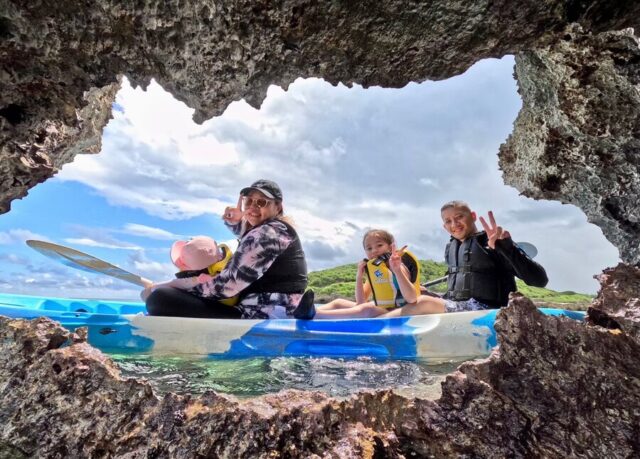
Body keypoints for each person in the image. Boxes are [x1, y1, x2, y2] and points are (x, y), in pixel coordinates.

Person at [145, 179, 310, 319]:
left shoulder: (268, 233)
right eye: (249, 201)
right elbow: (249, 237)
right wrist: (236, 221)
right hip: (278, 305)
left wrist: (180, 286)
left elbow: (227, 287)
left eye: (261, 202)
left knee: (160, 299)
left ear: (278, 207)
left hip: (262, 312)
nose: (253, 207)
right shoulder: (273, 229)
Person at [380, 200, 548, 317]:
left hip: (488, 311)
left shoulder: (491, 242)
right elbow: (458, 293)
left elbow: (539, 280)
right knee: (420, 297)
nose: (454, 224)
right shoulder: (451, 248)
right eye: (448, 221)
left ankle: (378, 328)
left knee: (423, 303)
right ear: (444, 226)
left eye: (459, 217)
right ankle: (371, 319)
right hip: (462, 308)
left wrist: (506, 248)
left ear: (473, 216)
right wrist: (434, 294)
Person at [292, 229, 422, 319]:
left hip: (399, 311)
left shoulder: (398, 265)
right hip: (384, 308)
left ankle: (315, 315)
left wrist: (397, 269)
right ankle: (299, 313)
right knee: (338, 302)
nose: (374, 251)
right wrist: (359, 276)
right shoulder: (376, 270)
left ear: (390, 247)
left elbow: (411, 298)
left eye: (379, 245)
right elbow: (360, 302)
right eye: (369, 248)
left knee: (367, 310)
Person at [140, 236, 234, 303]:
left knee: (151, 294)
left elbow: (178, 283)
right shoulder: (229, 261)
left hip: (219, 304)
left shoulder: (199, 278)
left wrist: (154, 287)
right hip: (230, 299)